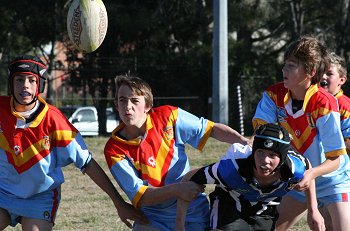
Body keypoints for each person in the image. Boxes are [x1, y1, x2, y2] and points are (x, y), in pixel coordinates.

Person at [0, 55, 148, 230]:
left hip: (39, 198)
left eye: (32, 80)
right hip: (4, 192)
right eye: (19, 79)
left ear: (40, 84)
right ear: (11, 83)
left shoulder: (54, 121)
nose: (25, 85)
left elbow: (87, 163)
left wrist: (119, 203)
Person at [103, 74, 252, 231]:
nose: (128, 106)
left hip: (192, 212)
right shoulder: (113, 149)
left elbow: (211, 129)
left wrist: (243, 141)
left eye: (134, 100)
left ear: (147, 105)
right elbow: (140, 196)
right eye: (122, 100)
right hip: (152, 218)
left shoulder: (168, 116)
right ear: (116, 105)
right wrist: (179, 189)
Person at [252, 36, 350, 231]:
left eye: (291, 65)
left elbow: (336, 159)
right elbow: (261, 137)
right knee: (265, 227)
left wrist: (311, 173)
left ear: (311, 72)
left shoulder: (325, 103)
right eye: (285, 64)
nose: (284, 70)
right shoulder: (273, 95)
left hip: (332, 180)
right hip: (295, 177)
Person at [174, 123, 325, 231]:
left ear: (283, 158)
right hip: (229, 206)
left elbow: (308, 172)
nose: (265, 160)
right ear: (253, 152)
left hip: (264, 211)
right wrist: (179, 224)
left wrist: (313, 210)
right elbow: (189, 178)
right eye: (260, 152)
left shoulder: (295, 169)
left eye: (272, 155)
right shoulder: (231, 169)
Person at [320, 52, 350, 152]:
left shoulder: (346, 106)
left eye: (329, 74)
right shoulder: (313, 100)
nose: (323, 77)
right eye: (321, 72)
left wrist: (325, 144)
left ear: (341, 80)